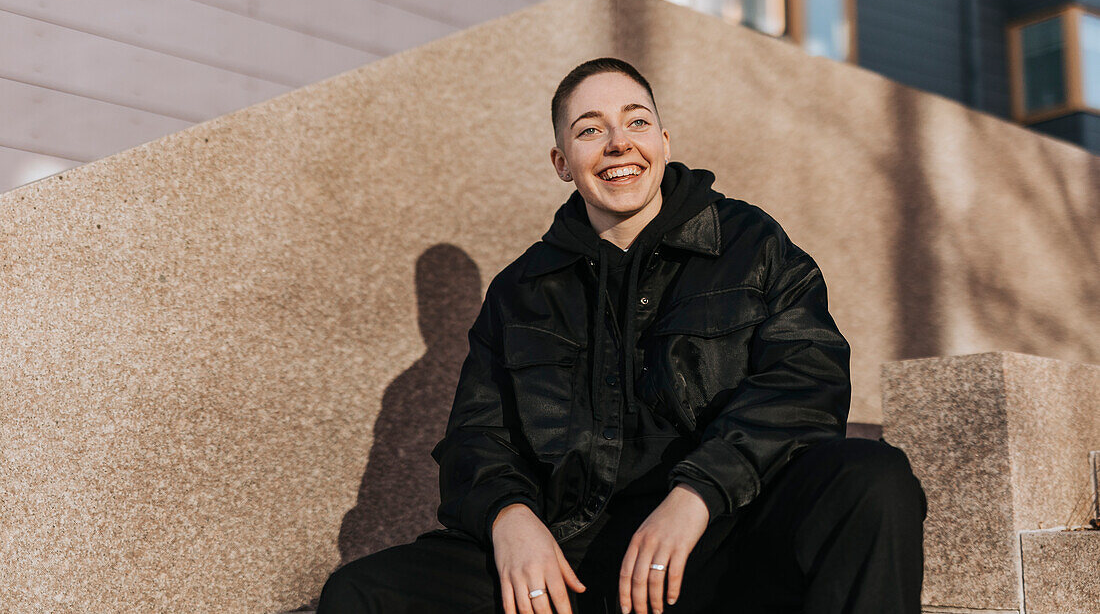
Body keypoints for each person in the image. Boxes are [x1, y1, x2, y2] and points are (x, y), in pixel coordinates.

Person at [316, 57, 927, 614]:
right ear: (562, 162)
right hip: (574, 561)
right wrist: (510, 519)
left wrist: (699, 493)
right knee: (361, 595)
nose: (617, 143)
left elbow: (808, 381)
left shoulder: (749, 243)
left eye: (636, 122)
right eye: (589, 129)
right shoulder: (520, 291)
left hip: (718, 541)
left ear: (663, 141)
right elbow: (477, 439)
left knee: (871, 479)